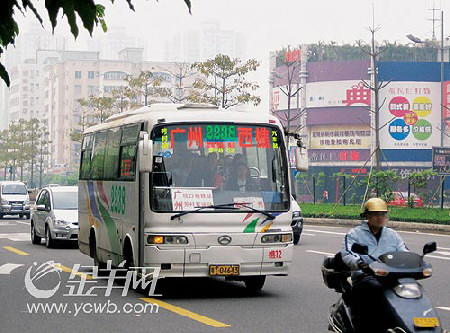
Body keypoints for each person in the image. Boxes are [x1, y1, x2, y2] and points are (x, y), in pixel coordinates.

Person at [341, 198, 408, 333]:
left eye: (383, 214)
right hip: (365, 275)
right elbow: (348, 254)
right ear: (367, 215)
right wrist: (360, 263)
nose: (380, 217)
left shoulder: (392, 235)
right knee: (375, 288)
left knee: (410, 289)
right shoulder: (355, 234)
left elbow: (404, 252)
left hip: (389, 275)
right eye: (376, 214)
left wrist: (412, 262)